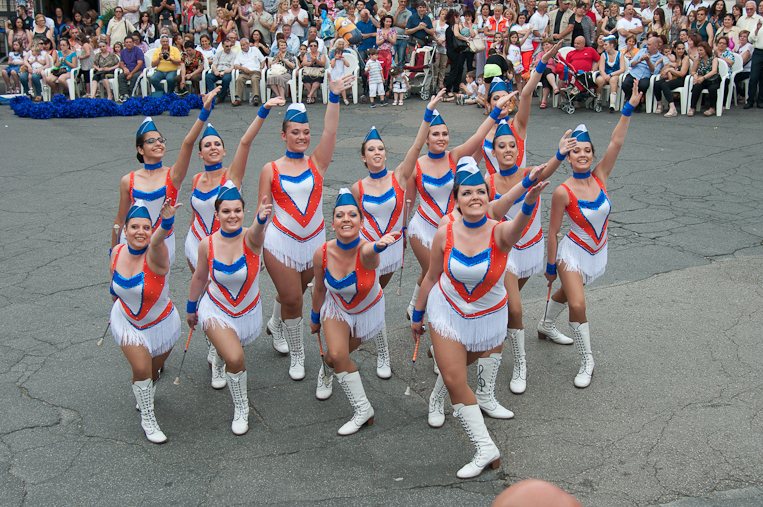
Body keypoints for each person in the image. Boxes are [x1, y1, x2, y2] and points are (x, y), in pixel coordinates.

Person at [411, 156, 548, 478]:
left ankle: (438, 396)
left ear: (488, 197)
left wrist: (529, 199)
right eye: (467, 193)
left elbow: (519, 225)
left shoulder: (500, 233)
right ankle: (486, 448)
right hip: (447, 309)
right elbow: (431, 277)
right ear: (456, 200)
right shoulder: (445, 232)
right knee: (455, 377)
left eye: (480, 192)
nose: (474, 197)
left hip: (487, 316)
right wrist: (418, 313)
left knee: (455, 371)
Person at [405, 93, 516, 370]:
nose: (441, 138)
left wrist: (494, 113)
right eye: (435, 134)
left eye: (445, 133)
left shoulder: (455, 157)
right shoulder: (417, 165)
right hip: (424, 227)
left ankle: (439, 332)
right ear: (426, 138)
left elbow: (478, 137)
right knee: (437, 275)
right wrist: (401, 233)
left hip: (455, 225)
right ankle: (437, 331)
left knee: (445, 275)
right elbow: (408, 201)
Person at [541, 88, 641, 389]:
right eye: (576, 151)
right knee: (578, 304)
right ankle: (588, 361)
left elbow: (616, 142)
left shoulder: (601, 176)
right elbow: (553, 231)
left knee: (569, 294)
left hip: (596, 251)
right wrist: (550, 266)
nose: (582, 155)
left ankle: (545, 324)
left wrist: (629, 108)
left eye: (587, 150)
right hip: (571, 253)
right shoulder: (563, 191)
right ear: (568, 157)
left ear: (593, 154)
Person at [259, 76, 356, 378]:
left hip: (313, 242)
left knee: (297, 291)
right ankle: (297, 355)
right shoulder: (270, 169)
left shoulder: (317, 163)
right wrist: (253, 245)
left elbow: (330, 131)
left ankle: (275, 323)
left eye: (305, 132)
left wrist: (334, 97)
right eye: (295, 132)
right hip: (280, 242)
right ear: (283, 134)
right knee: (293, 299)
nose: (302, 137)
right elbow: (262, 212)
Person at [347, 94, 442, 379]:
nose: (377, 153)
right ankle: (382, 353)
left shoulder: (399, 176)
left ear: (385, 154)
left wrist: (428, 113)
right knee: (373, 298)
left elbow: (416, 145)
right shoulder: (357, 188)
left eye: (381, 149)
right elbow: (352, 223)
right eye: (371, 150)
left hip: (391, 252)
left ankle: (360, 329)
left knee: (375, 296)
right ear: (363, 157)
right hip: (367, 251)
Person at [308, 189, 398, 435]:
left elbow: (370, 254)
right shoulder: (322, 253)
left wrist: (378, 246)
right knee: (339, 355)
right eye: (340, 215)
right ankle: (363, 409)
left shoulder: (367, 251)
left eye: (352, 214)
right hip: (336, 308)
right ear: (333, 224)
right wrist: (315, 318)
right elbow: (319, 289)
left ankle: (326, 369)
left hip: (366, 311)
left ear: (361, 221)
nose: (346, 219)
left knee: (334, 358)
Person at [186, 182, 269, 435]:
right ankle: (241, 408)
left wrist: (261, 219)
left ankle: (218, 353)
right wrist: (191, 308)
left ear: (244, 212)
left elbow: (257, 232)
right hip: (215, 309)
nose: (232, 215)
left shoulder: (252, 239)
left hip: (246, 310)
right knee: (235, 358)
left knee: (232, 352)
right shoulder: (206, 244)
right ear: (216, 214)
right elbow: (200, 277)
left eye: (237, 210)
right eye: (226, 211)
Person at [112, 93, 217, 267]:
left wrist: (204, 112)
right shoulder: (128, 180)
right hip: (131, 242)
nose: (158, 143)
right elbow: (119, 221)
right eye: (151, 141)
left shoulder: (173, 175)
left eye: (161, 140)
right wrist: (113, 254)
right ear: (140, 149)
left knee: (157, 284)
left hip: (162, 242)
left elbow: (188, 143)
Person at [110, 199, 181, 444]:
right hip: (127, 322)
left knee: (151, 373)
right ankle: (149, 420)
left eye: (146, 227)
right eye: (134, 227)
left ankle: (147, 389)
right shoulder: (117, 252)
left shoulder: (156, 252)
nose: (140, 232)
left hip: (162, 325)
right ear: (125, 230)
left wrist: (167, 222)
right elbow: (113, 285)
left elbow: (159, 239)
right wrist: (115, 303)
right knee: (141, 370)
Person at [621, 35, 664, 106]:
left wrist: (648, 61)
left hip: (646, 76)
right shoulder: (642, 51)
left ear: (655, 46)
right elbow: (631, 63)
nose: (646, 46)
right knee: (625, 84)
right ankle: (634, 102)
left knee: (643, 86)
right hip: (634, 73)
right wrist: (639, 60)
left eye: (649, 45)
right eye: (647, 44)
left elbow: (655, 71)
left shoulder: (660, 57)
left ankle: (634, 103)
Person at [688, 40, 719, 115]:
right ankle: (692, 107)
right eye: (698, 50)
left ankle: (712, 108)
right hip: (701, 79)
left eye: (701, 50)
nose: (699, 52)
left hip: (713, 79)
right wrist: (695, 75)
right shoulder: (697, 58)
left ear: (706, 50)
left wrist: (703, 78)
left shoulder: (714, 58)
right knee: (696, 87)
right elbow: (693, 71)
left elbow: (714, 71)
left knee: (712, 88)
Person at [232, 36, 265, 105]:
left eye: (244, 45)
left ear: (248, 44)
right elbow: (236, 65)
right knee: (240, 79)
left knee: (255, 79)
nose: (242, 47)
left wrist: (261, 68)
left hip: (255, 71)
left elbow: (263, 60)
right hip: (244, 72)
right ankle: (238, 99)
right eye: (241, 45)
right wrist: (243, 68)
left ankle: (255, 98)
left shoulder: (255, 50)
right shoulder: (240, 53)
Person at [598, 34, 625, 111]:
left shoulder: (620, 54)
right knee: (599, 80)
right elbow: (601, 69)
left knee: (613, 80)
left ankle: (612, 103)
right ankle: (597, 100)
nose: (604, 46)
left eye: (606, 45)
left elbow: (622, 69)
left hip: (614, 74)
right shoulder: (603, 55)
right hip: (605, 74)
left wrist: (610, 75)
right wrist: (605, 76)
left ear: (611, 45)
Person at [118, 34, 145, 100]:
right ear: (124, 44)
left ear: (133, 43)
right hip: (128, 69)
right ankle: (125, 94)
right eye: (127, 42)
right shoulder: (123, 51)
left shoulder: (138, 51)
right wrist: (124, 68)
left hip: (138, 70)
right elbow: (121, 63)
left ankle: (130, 93)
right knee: (121, 76)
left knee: (134, 77)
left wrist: (131, 73)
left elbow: (139, 65)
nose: (128, 44)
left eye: (130, 42)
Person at [433, 9, 449, 91]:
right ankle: (434, 80)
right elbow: (432, 32)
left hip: (444, 46)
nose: (444, 16)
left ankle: (441, 81)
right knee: (435, 64)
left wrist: (442, 40)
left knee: (443, 65)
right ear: (439, 15)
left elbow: (448, 34)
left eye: (445, 14)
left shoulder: (447, 25)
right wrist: (437, 40)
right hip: (436, 45)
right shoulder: (435, 22)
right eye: (442, 14)